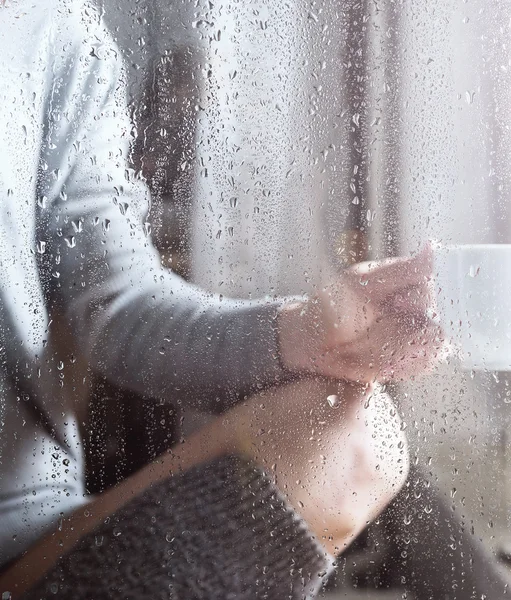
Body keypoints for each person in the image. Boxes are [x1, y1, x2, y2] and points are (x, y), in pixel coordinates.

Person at [0, 1, 442, 597]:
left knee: (349, 441)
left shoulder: (50, 30)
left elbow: (117, 303)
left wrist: (300, 333)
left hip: (22, 538)